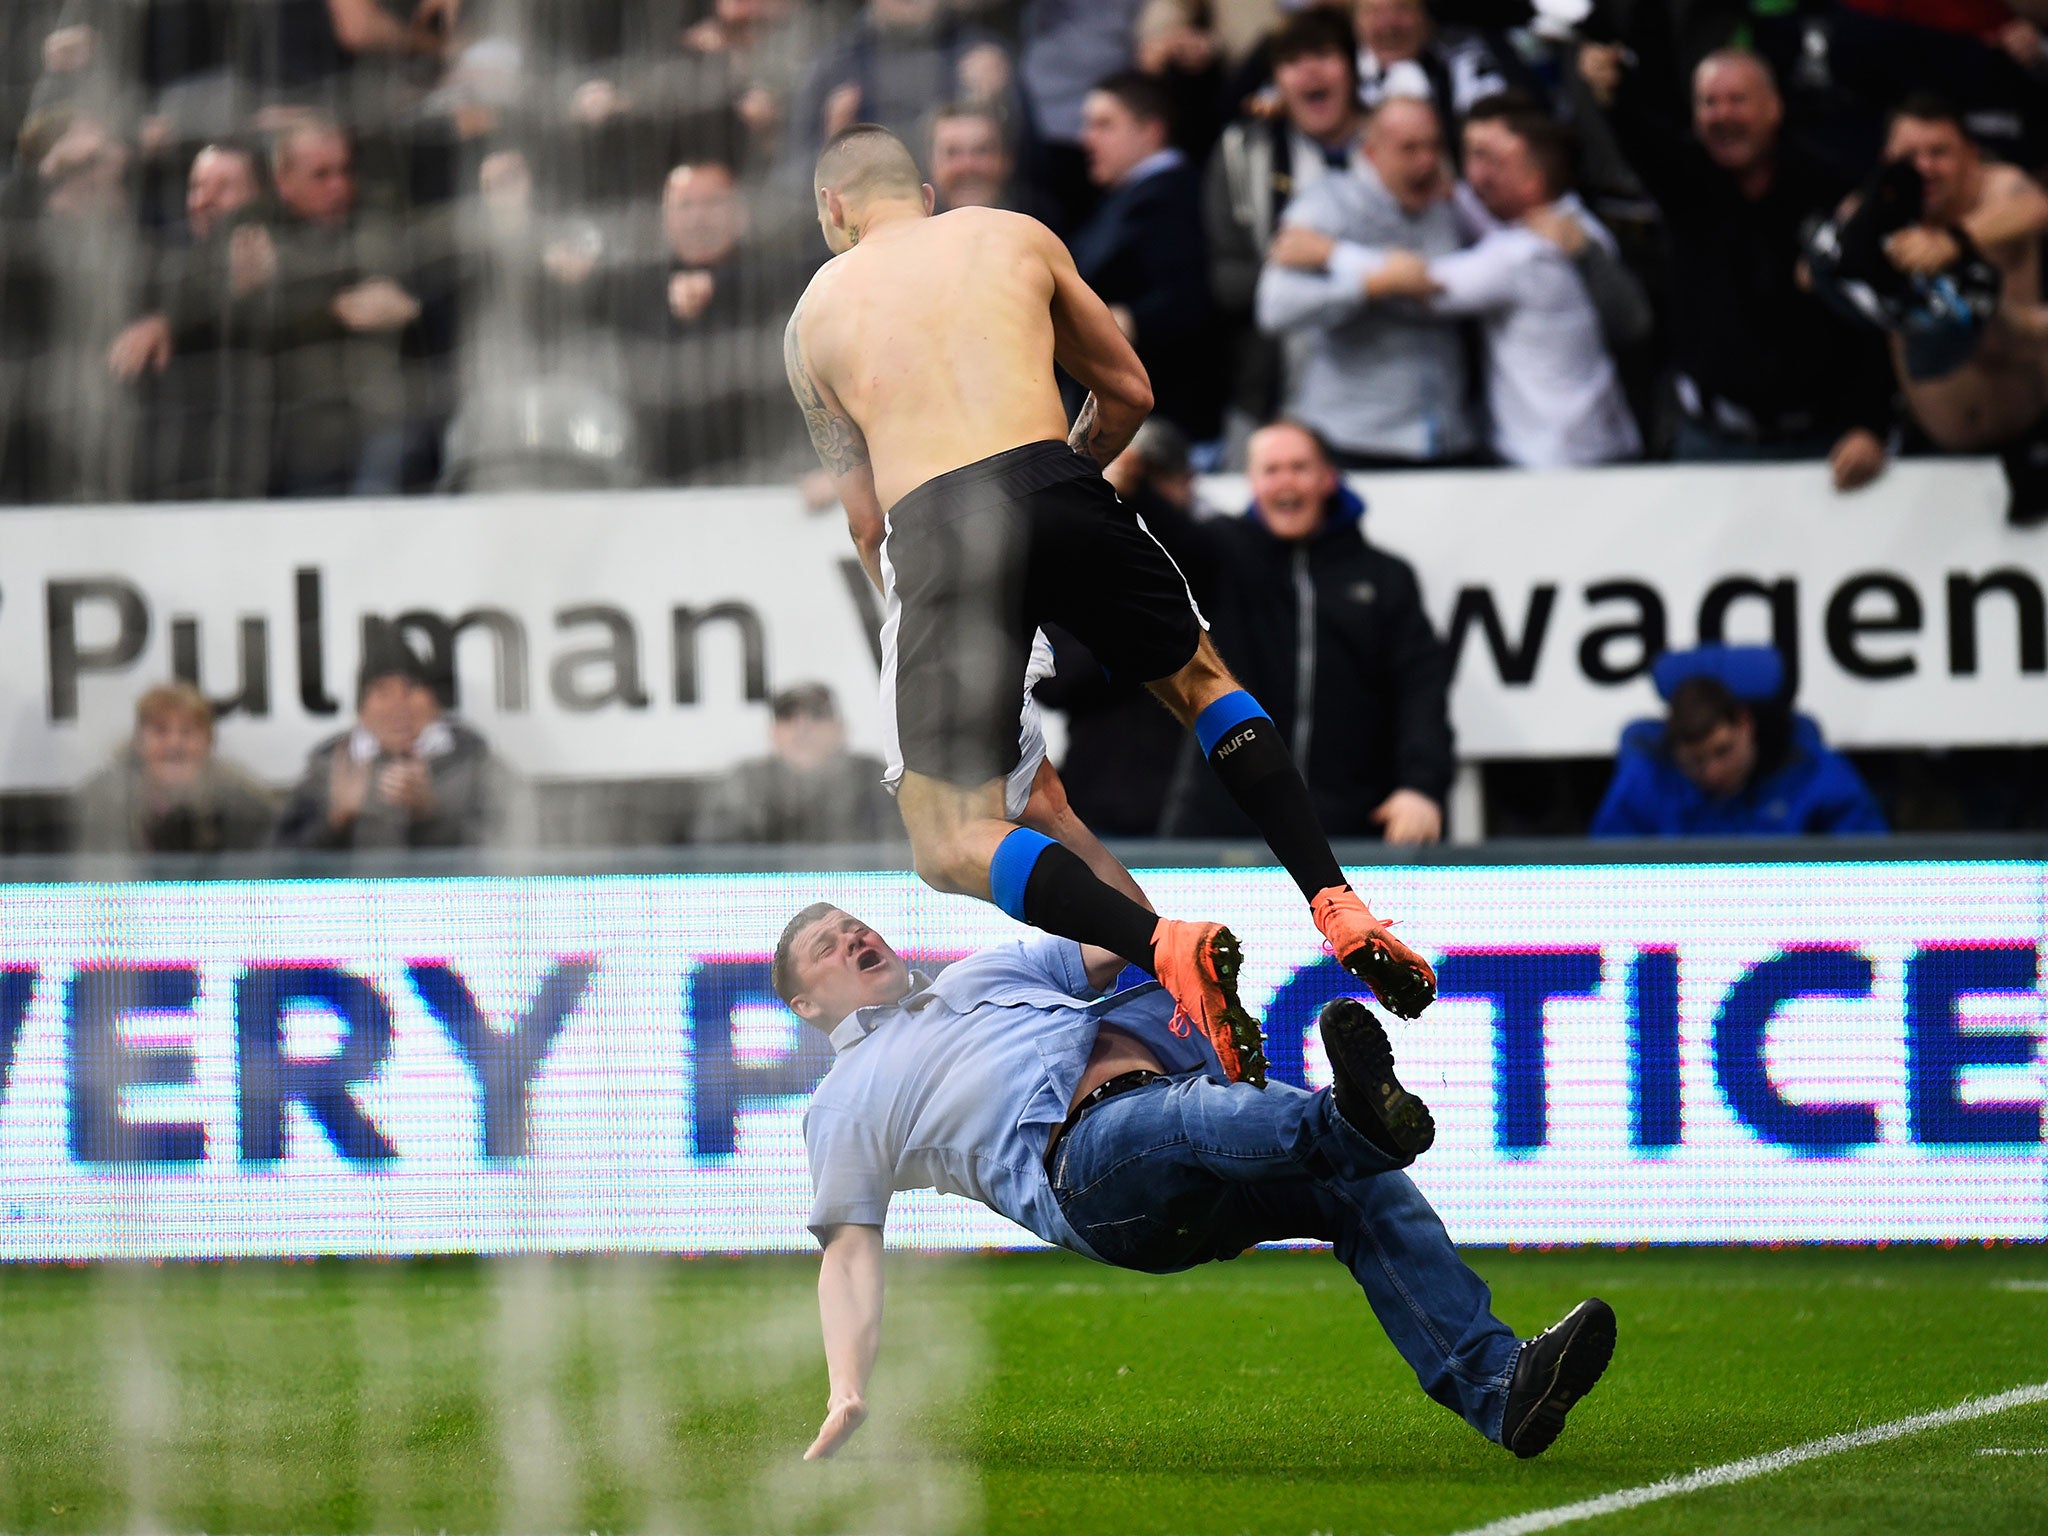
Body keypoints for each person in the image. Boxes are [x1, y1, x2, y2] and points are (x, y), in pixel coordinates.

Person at [784, 123, 1439, 1086]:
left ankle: (1159, 941)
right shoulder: (1012, 234)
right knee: (1202, 681)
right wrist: (1057, 494)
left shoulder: (812, 320)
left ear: (833, 210)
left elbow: (867, 524)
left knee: (953, 835)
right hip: (1058, 479)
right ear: (924, 194)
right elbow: (1130, 392)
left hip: (936, 531)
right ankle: (1335, 899)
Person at [774, 901, 1616, 1463]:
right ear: (809, 1006)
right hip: (1088, 1175)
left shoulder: (980, 974)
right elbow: (848, 1253)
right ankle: (1348, 1125)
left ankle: (1501, 1388)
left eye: (854, 925)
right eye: (825, 947)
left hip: (1172, 1125)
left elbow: (1124, 933)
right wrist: (846, 1386)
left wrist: (1152, 909)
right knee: (1195, 1115)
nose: (852, 938)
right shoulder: (845, 1100)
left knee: (1362, 1195)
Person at [1577, 42, 1893, 489]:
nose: (1722, 114)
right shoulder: (1685, 183)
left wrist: (1870, 425)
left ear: (1773, 108)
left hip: (1820, 447)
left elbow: (1871, 318)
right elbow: (1639, 136)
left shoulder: (1830, 188)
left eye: (1737, 100)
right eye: (1709, 102)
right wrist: (1611, 89)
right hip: (1709, 445)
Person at [1161, 421, 1453, 843]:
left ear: (1328, 478)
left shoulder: (1386, 577)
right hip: (1220, 831)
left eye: (1299, 467)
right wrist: (1122, 475)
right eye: (1272, 469)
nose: (1286, 481)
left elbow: (1421, 689)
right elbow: (1151, 531)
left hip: (1353, 832)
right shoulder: (1220, 555)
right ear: (1252, 482)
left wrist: (1422, 787)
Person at [1357, 100, 1644, 467]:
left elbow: (1420, 285)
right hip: (1601, 442)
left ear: (1531, 176)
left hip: (1555, 462)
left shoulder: (1524, 254)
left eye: (1489, 160)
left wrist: (1329, 253)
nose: (1474, 176)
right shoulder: (1583, 230)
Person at [1256, 95, 1482, 469]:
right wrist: (1369, 287)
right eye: (1409, 149)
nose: (1427, 161)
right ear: (1371, 152)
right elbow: (1275, 307)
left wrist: (1341, 258)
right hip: (1356, 440)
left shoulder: (1448, 207)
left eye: (1434, 146)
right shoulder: (1325, 204)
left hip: (1449, 437)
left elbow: (1438, 284)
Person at [1852, 97, 2048, 520]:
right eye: (1909, 156)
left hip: (2034, 432)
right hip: (1931, 452)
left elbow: (2035, 208)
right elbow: (1816, 272)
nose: (1924, 167)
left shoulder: (2000, 188)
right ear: (1887, 161)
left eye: (1939, 152)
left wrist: (1954, 242)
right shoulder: (1875, 213)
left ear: (1970, 156)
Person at [1205, 6, 1369, 456]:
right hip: (1272, 393)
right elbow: (1223, 281)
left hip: (1383, 396)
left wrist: (1327, 257)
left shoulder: (1394, 142)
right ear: (1275, 79)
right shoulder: (1243, 153)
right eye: (1292, 61)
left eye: (1324, 54)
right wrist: (1292, 275)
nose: (1310, 69)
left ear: (1354, 69)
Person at [1069, 71, 1223, 441]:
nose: (1085, 139)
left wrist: (1113, 322)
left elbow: (1187, 301)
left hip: (1164, 423)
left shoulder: (1171, 197)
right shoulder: (1126, 196)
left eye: (1104, 124)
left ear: (1151, 130)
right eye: (1087, 125)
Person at [1590, 647, 1888, 837]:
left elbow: (1870, 867)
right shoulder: (1647, 780)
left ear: (1745, 725)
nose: (1712, 772)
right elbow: (1604, 875)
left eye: (1723, 751)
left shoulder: (1811, 770)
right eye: (1694, 761)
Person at [275, 631, 508, 849]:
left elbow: (509, 854)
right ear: (361, 712)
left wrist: (430, 815)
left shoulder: (476, 764)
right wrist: (336, 821)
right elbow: (276, 868)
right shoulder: (328, 769)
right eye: (382, 692)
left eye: (410, 689)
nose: (399, 706)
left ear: (435, 703)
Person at [70, 682, 275, 854]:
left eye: (187, 732)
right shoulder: (103, 799)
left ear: (209, 743)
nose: (174, 744)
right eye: (160, 731)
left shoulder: (242, 798)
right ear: (138, 742)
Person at [692, 682, 899, 844]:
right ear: (773, 733)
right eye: (788, 717)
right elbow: (713, 858)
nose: (803, 727)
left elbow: (899, 851)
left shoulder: (873, 778)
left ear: (841, 729)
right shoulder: (743, 784)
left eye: (817, 714)